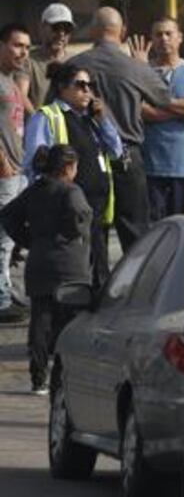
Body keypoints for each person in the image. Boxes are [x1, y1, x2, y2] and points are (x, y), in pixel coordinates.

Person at [72, 7, 172, 252]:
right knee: (135, 231)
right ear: (123, 32)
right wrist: (143, 65)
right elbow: (164, 98)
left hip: (87, 158)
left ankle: (95, 288)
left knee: (92, 229)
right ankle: (137, 286)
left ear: (94, 30)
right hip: (128, 157)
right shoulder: (134, 66)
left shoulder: (75, 65)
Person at [0, 145, 91, 394]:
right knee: (71, 323)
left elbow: (8, 214)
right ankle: (69, 377)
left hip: (39, 262)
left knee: (41, 321)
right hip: (70, 266)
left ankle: (38, 378)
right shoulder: (72, 191)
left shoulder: (35, 190)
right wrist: (75, 235)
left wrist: (30, 239)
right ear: (68, 167)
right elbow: (80, 216)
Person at [24, 63, 123, 288]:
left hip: (96, 208)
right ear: (62, 88)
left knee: (99, 269)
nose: (87, 90)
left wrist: (103, 119)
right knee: (74, 272)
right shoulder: (48, 116)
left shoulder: (91, 119)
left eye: (91, 85)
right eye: (80, 85)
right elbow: (34, 164)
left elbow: (116, 151)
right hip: (67, 209)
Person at [142, 17, 184, 219]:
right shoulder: (143, 72)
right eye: (158, 34)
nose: (163, 38)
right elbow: (141, 111)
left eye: (168, 33)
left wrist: (161, 102)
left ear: (179, 38)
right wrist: (182, 107)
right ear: (152, 40)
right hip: (153, 169)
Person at [0, 23, 30, 323]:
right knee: (3, 239)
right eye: (17, 45)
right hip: (4, 172)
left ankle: (7, 291)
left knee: (12, 239)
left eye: (26, 47)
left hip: (18, 170)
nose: (23, 52)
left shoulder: (11, 82)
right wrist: (3, 161)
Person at [26, 2, 75, 108]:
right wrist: (38, 120)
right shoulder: (28, 61)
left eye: (67, 29)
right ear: (41, 28)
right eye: (56, 27)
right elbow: (21, 96)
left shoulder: (76, 62)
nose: (61, 34)